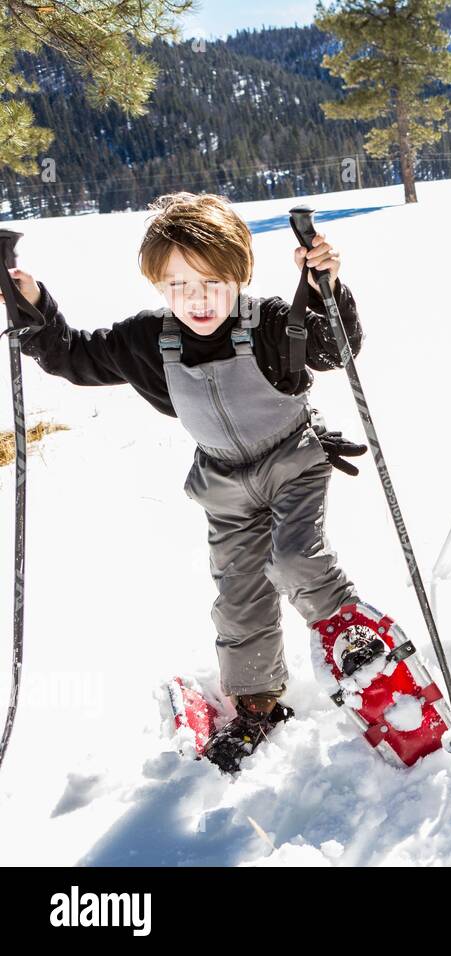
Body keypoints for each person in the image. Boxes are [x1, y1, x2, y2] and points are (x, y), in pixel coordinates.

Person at [0, 192, 372, 771]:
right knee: (238, 599)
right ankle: (257, 703)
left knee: (297, 559)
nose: (195, 299)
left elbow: (334, 349)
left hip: (292, 462)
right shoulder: (148, 340)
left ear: (239, 273)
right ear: (157, 287)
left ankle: (363, 655)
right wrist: (32, 305)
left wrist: (328, 286)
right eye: (176, 285)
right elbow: (72, 357)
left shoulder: (272, 321)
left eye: (211, 282)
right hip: (222, 484)